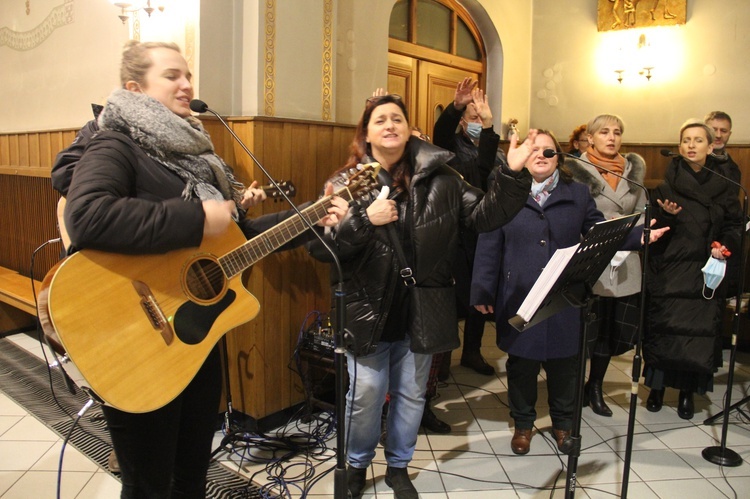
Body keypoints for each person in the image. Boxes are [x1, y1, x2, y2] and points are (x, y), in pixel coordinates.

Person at [62, 40, 347, 498]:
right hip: (134, 339)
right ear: (135, 89)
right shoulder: (116, 144)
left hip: (194, 339)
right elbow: (88, 216)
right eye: (172, 75)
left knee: (191, 472)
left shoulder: (194, 155)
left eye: (187, 74)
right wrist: (197, 217)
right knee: (149, 484)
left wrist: (310, 215)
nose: (187, 84)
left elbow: (236, 237)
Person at [307, 93, 532, 498]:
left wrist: (513, 175)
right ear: (367, 133)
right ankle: (357, 465)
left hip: (423, 306)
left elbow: (485, 216)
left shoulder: (444, 179)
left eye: (397, 118)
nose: (390, 124)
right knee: (366, 394)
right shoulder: (344, 183)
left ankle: (398, 467)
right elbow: (321, 250)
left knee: (411, 394)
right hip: (366, 309)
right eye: (380, 120)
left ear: (410, 130)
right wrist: (363, 219)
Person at [471, 130, 664, 455]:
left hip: (564, 296)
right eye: (534, 150)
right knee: (521, 366)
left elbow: (598, 231)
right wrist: (482, 289)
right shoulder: (505, 191)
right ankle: (523, 423)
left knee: (566, 366)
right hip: (520, 294)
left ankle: (563, 423)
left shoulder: (577, 193)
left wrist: (636, 239)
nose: (541, 157)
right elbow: (490, 240)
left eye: (549, 151)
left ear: (559, 157)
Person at [642, 120, 742, 420]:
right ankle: (657, 389)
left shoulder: (725, 185)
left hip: (705, 269)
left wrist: (723, 245)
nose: (691, 146)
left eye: (698, 140)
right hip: (672, 267)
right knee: (667, 329)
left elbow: (734, 224)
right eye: (686, 140)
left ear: (711, 146)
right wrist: (663, 214)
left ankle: (687, 393)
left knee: (697, 334)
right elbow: (652, 229)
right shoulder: (666, 183)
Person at [565, 114, 646, 417]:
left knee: (609, 331)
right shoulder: (574, 170)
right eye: (604, 132)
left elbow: (639, 212)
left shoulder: (632, 170)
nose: (611, 138)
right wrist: (603, 228)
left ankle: (595, 387)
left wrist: (629, 228)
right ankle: (571, 389)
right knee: (584, 329)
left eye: (617, 132)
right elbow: (571, 215)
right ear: (591, 137)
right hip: (592, 258)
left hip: (625, 260)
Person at [432, 76, 505, 376]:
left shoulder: (494, 148)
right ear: (463, 122)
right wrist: (455, 108)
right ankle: (443, 359)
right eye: (472, 117)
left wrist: (489, 129)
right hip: (455, 232)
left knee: (480, 294)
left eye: (482, 117)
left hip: (484, 231)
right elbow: (440, 134)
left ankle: (472, 352)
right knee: (450, 299)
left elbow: (490, 168)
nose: (477, 120)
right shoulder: (451, 147)